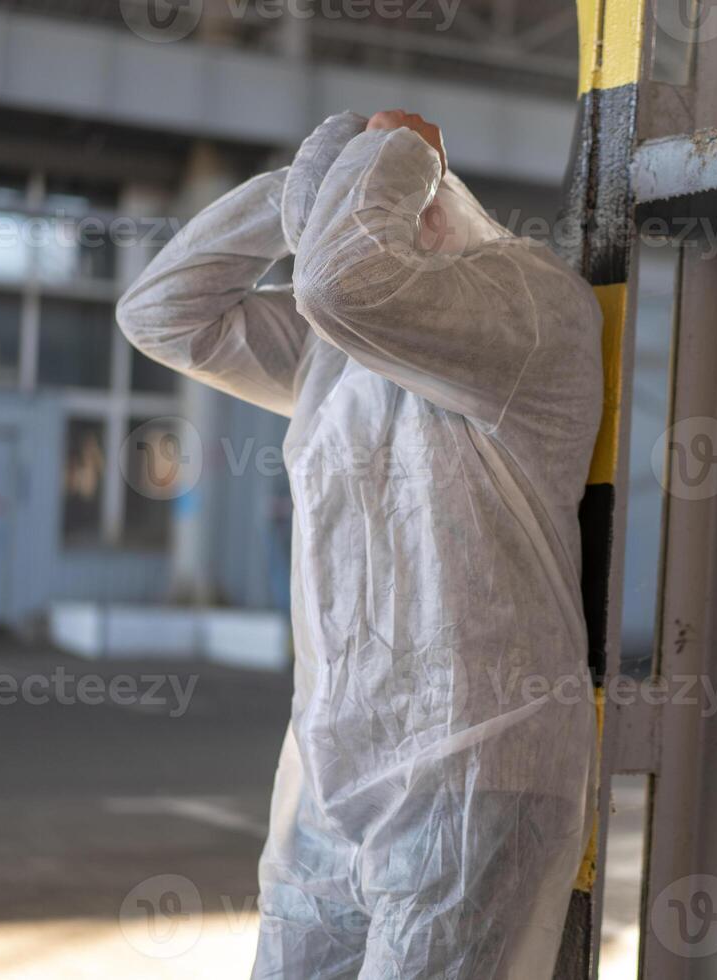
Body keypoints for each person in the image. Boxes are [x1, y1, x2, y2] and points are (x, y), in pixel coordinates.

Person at [117, 109, 603, 979]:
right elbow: (162, 314)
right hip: (335, 764)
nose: (348, 215)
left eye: (364, 194)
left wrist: (400, 145)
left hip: (474, 772)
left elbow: (345, 283)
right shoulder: (335, 352)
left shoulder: (527, 305)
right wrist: (296, 186)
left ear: (422, 194)